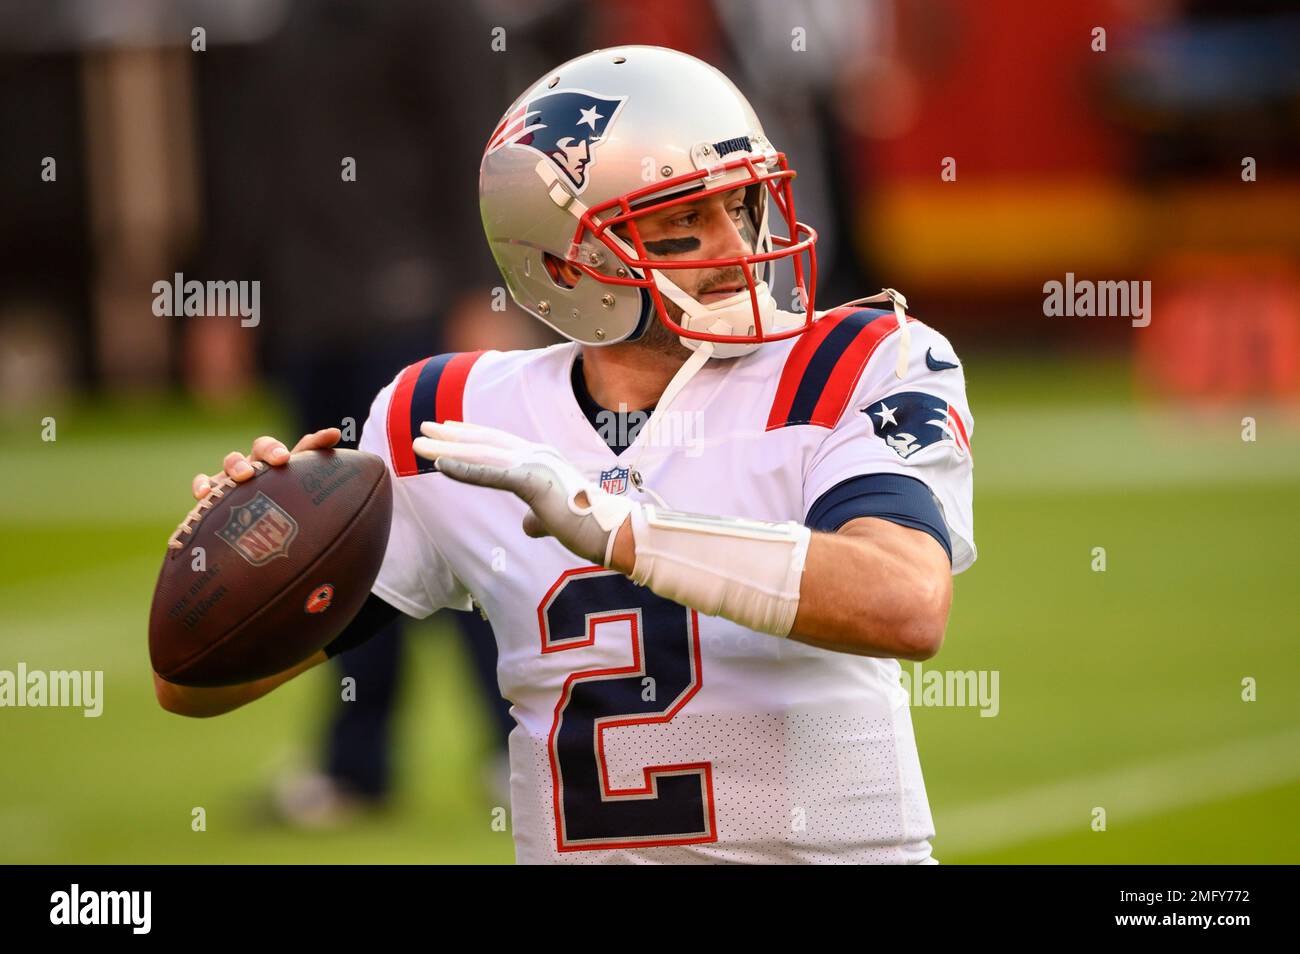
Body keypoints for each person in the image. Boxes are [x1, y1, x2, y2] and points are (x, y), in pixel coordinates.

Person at [156, 45, 976, 864]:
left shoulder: (860, 361)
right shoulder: (450, 415)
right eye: (684, 220)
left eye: (743, 202)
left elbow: (906, 602)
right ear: (564, 261)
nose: (735, 244)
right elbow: (194, 682)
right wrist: (243, 552)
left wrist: (619, 530)